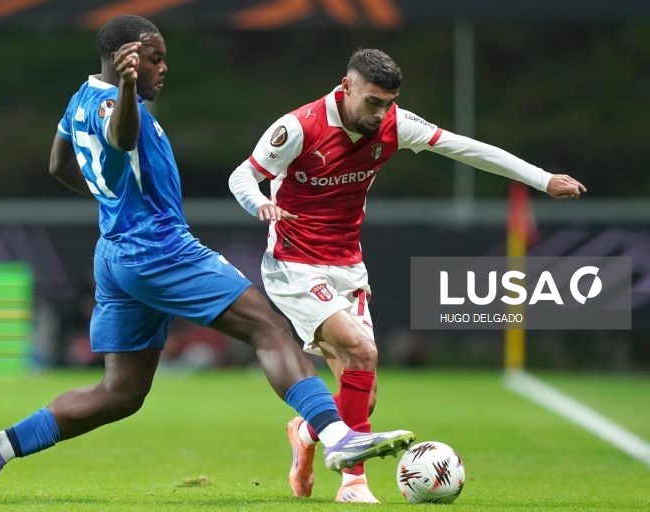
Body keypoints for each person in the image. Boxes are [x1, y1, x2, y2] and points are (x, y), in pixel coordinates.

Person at [0, 18, 416, 500]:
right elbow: (120, 138)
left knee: (122, 392)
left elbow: (59, 163)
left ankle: (0, 446)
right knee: (267, 327)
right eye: (155, 58)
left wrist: (111, 200)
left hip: (117, 251)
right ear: (127, 59)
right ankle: (337, 436)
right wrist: (130, 88)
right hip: (159, 248)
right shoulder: (118, 103)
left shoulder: (80, 99)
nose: (164, 68)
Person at [228, 48, 586, 503]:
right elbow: (243, 175)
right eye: (373, 102)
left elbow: (465, 147)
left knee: (366, 392)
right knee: (361, 349)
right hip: (293, 263)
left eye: (389, 103)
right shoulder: (298, 127)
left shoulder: (396, 123)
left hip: (347, 267)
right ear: (346, 87)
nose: (381, 114)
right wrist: (258, 202)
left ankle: (306, 431)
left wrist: (541, 179)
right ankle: (353, 484)